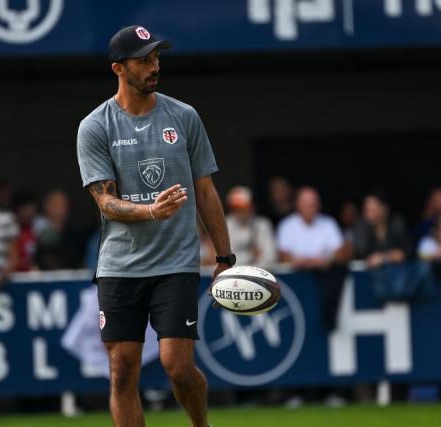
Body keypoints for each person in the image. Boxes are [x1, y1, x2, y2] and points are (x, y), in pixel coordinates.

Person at [76, 25, 233, 427]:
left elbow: (206, 190)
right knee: (122, 369)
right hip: (120, 266)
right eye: (144, 60)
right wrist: (150, 212)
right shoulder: (95, 126)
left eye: (156, 58)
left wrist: (224, 256)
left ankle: (201, 424)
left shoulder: (184, 116)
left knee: (176, 366)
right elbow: (105, 202)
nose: (154, 66)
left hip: (175, 263)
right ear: (118, 68)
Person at [278, 187, 351, 331]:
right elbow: (284, 256)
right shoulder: (287, 226)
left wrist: (307, 261)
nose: (310, 207)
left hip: (324, 285)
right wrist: (316, 262)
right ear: (298, 205)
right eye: (306, 203)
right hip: (295, 289)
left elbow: (340, 253)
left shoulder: (328, 224)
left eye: (313, 203)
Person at [352, 193, 410, 267]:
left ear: (384, 209)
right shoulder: (361, 226)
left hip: (397, 271)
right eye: (366, 209)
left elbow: (406, 252)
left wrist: (384, 258)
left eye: (372, 210)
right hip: (370, 273)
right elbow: (360, 252)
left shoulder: (396, 223)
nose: (368, 214)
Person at [225, 186, 276, 268]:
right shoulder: (226, 225)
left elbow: (270, 257)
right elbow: (227, 260)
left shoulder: (263, 224)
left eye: (244, 207)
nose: (240, 211)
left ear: (252, 206)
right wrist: (250, 255)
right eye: (236, 207)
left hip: (260, 274)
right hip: (234, 276)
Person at [35, 190, 85, 270]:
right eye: (56, 205)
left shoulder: (76, 235)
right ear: (45, 206)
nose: (61, 209)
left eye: (64, 205)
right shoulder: (36, 233)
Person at [13, 190, 40, 272]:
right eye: (26, 210)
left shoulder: (35, 231)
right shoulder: (10, 232)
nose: (30, 214)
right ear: (18, 210)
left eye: (32, 210)